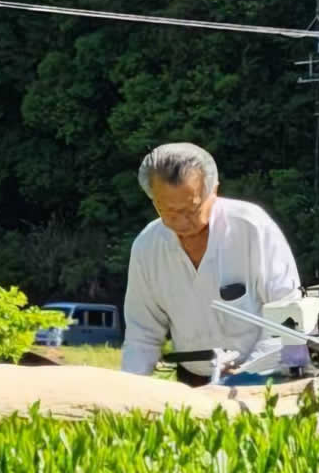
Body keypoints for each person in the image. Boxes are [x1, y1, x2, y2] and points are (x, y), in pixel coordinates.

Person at [120, 143, 300, 386]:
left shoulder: (251, 228)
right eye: (167, 211)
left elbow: (287, 314)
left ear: (213, 191)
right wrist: (130, 389)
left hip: (263, 377)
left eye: (190, 210)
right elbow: (142, 334)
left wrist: (245, 375)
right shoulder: (147, 247)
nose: (180, 222)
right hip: (192, 380)